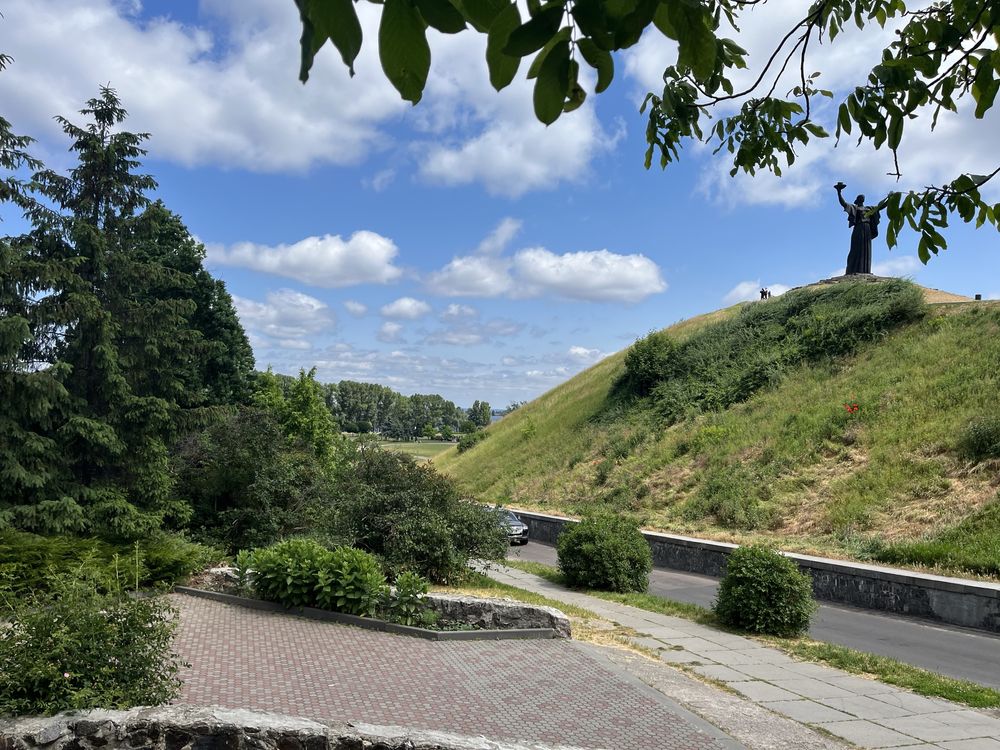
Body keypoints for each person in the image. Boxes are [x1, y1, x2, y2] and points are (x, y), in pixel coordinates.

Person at [835, 182, 890, 275]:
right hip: (858, 228)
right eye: (860, 197)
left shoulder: (869, 208)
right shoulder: (854, 208)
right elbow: (843, 203)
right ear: (857, 200)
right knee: (856, 249)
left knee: (866, 249)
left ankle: (865, 270)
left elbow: (881, 207)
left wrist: (890, 198)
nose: (862, 197)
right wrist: (839, 192)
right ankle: (853, 270)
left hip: (867, 229)